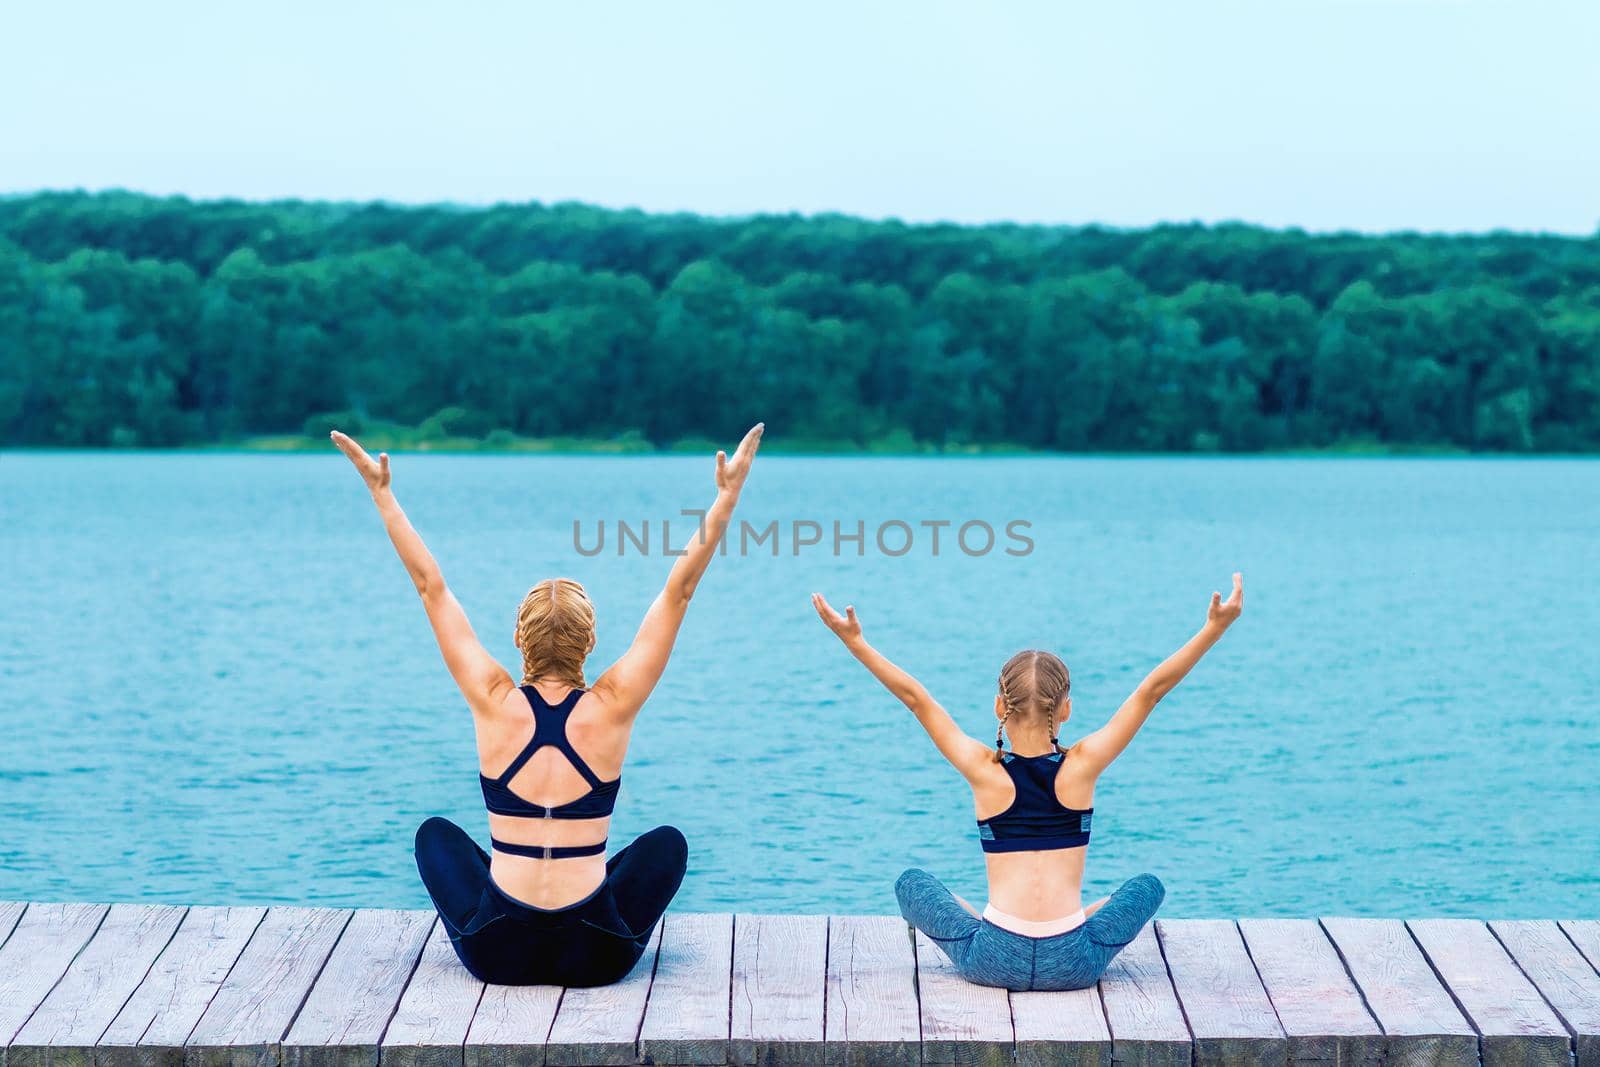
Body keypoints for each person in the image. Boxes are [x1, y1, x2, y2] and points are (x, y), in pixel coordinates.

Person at [331, 423, 763, 986]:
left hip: (497, 953)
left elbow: (429, 587)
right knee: (666, 846)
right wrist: (727, 495)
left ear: (518, 639)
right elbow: (678, 591)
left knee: (435, 835)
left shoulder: (492, 700)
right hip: (596, 955)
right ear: (590, 641)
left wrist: (381, 492)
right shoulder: (613, 705)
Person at [810, 573, 1244, 991]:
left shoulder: (984, 769)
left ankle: (998, 922)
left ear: (1000, 705)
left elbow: (916, 699)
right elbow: (1152, 691)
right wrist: (1213, 629)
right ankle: (1080, 920)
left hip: (994, 956)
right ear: (1066, 709)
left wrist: (855, 642)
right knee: (1148, 886)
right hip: (1074, 961)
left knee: (911, 883)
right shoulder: (1084, 765)